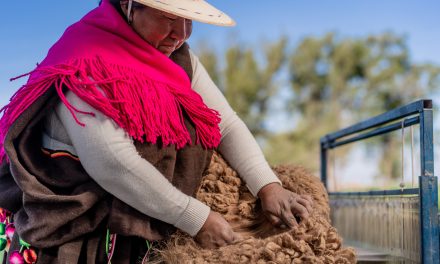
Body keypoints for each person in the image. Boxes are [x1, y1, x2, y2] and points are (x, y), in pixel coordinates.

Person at [0, 0, 313, 262]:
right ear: (129, 5)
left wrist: (268, 186)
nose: (181, 33)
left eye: (189, 20)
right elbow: (112, 161)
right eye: (169, 17)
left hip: (143, 219)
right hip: (74, 229)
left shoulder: (178, 58)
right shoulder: (87, 60)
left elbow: (225, 122)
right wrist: (197, 219)